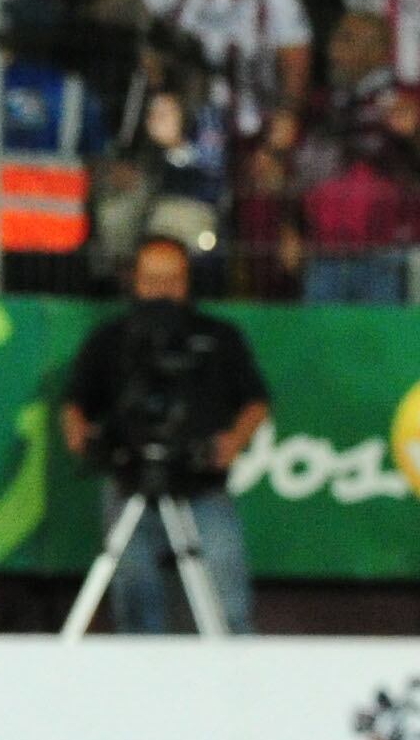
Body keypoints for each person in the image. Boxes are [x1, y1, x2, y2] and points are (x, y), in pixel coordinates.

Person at [58, 232, 271, 636]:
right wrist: (79, 433)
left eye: (171, 279)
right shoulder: (111, 339)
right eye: (152, 279)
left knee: (228, 607)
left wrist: (234, 441)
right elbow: (75, 401)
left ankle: (237, 689)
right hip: (129, 483)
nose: (162, 290)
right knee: (137, 607)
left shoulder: (219, 337)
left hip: (202, 484)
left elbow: (256, 401)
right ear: (135, 281)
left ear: (186, 282)